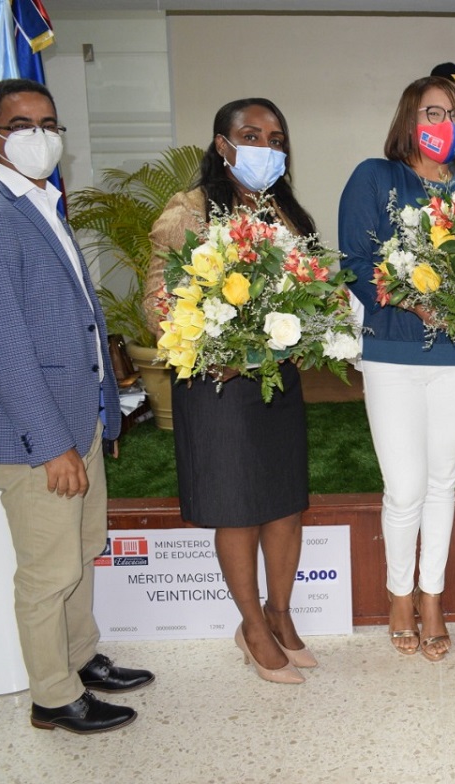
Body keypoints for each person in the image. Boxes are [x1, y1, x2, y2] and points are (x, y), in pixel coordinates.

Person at [0, 78, 153, 733]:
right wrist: (53, 443)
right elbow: (1, 347)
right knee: (48, 571)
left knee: (81, 550)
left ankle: (80, 658)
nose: (39, 136)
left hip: (76, 418)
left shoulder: (41, 204)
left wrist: (104, 411)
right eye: (21, 125)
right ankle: (54, 697)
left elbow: (82, 321)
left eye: (48, 123)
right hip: (35, 437)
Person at [143, 98, 318, 684]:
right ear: (222, 145)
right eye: (251, 135)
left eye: (276, 138)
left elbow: (311, 292)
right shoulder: (187, 211)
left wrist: (313, 324)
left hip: (276, 379)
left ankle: (281, 613)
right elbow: (158, 302)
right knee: (238, 508)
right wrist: (225, 349)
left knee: (286, 504)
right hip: (218, 384)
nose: (266, 147)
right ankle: (252, 626)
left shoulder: (286, 213)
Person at [338, 76, 455, 661]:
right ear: (409, 118)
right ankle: (398, 594)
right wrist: (411, 300)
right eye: (433, 112)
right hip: (391, 353)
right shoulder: (375, 177)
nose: (446, 123)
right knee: (403, 487)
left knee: (443, 482)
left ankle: (432, 597)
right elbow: (354, 261)